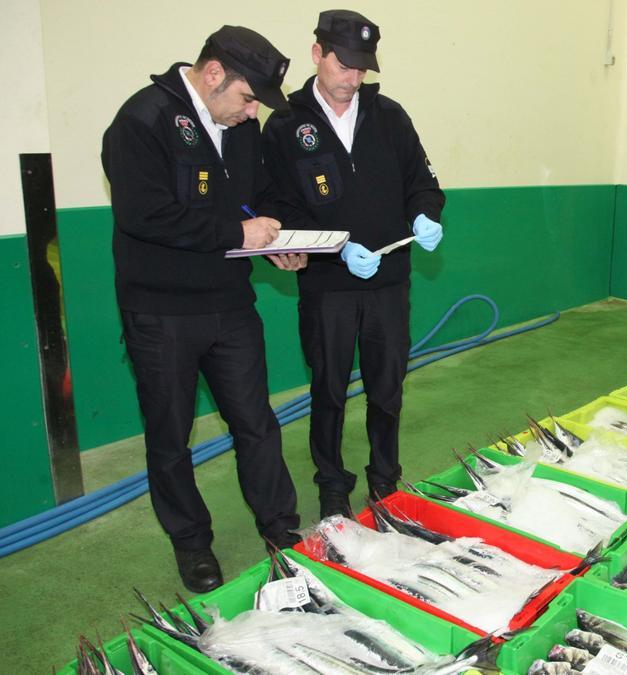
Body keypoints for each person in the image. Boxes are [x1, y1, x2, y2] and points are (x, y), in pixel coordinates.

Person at [101, 25, 308, 593]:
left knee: (257, 424)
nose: (250, 115)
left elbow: (256, 197)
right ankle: (192, 543)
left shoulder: (238, 127)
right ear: (214, 74)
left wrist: (277, 244)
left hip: (230, 305)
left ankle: (281, 529)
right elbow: (144, 216)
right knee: (170, 437)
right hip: (161, 312)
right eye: (247, 99)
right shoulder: (141, 120)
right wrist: (237, 229)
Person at [262, 9, 445, 519]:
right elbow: (278, 206)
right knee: (329, 390)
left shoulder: (391, 117)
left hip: (388, 281)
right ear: (318, 53)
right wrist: (334, 247)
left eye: (363, 69)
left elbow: (423, 184)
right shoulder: (283, 124)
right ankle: (332, 484)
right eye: (344, 65)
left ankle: (385, 478)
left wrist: (427, 215)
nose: (353, 78)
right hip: (327, 286)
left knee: (387, 388)